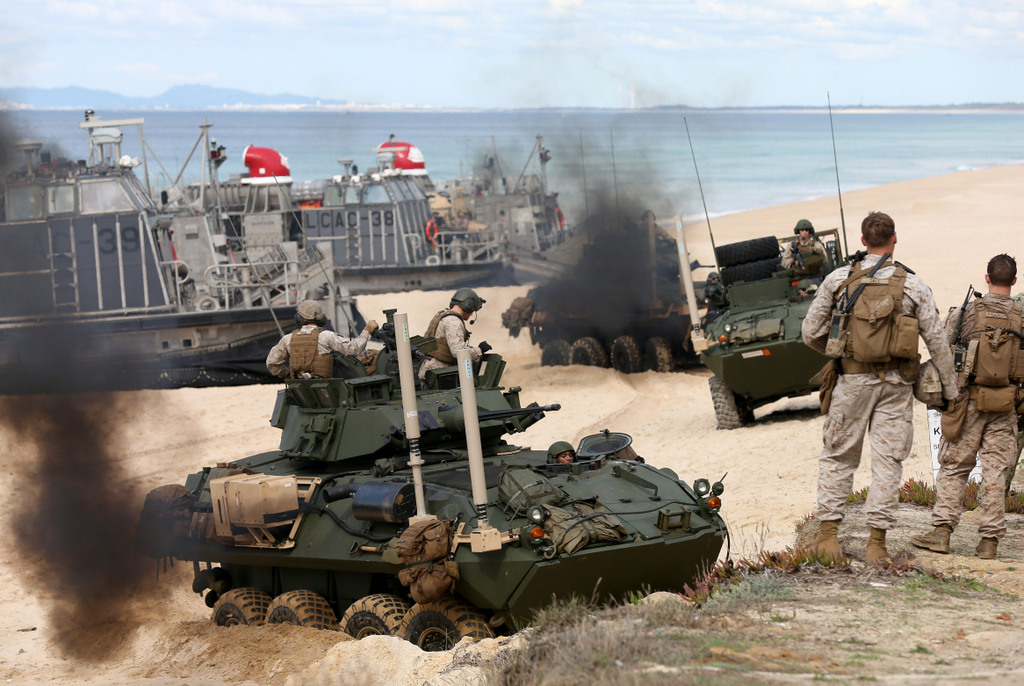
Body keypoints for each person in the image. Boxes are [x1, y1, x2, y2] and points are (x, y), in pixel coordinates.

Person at [801, 211, 958, 562]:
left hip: (851, 382)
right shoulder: (913, 285)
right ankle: (877, 544)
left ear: (862, 241)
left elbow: (810, 332)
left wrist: (838, 353)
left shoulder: (838, 279)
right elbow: (937, 342)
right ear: (895, 239)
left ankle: (827, 537)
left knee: (838, 456)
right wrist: (950, 390)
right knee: (888, 463)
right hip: (897, 384)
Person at [910, 254, 1021, 560]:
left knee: (955, 466)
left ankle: (942, 533)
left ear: (987, 278)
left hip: (968, 402)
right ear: (1013, 281)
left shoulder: (966, 311)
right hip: (1006, 404)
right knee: (996, 471)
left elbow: (943, 350)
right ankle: (989, 543)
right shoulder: (1022, 316)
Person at [266, 300, 377, 379]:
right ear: (321, 318)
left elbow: (272, 363)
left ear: (298, 318)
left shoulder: (287, 339)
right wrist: (367, 330)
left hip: (301, 392)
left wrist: (287, 375)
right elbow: (354, 349)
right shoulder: (326, 336)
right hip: (327, 390)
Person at [419, 288, 491, 380]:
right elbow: (458, 352)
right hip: (441, 374)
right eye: (472, 310)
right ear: (468, 306)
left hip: (434, 371)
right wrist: (479, 350)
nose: (472, 315)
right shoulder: (454, 322)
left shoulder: (443, 316)